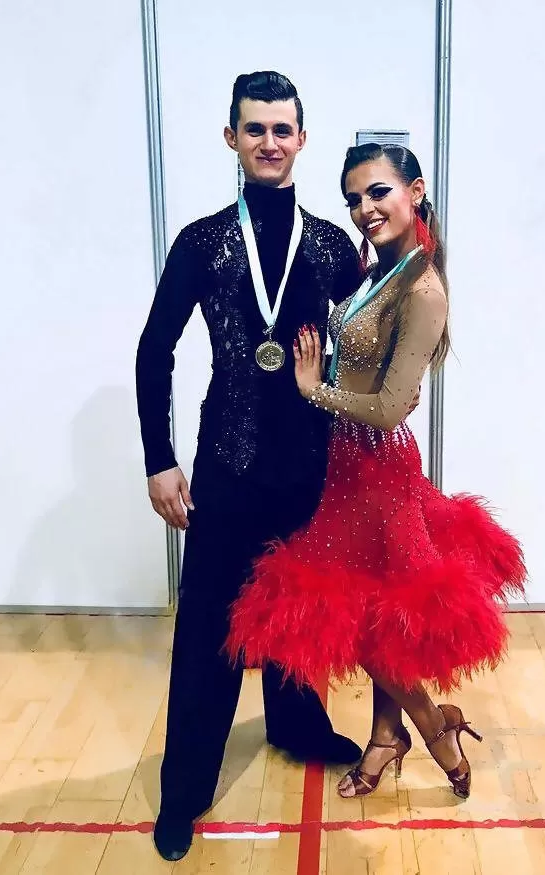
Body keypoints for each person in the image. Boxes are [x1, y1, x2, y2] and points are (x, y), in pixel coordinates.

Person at [226, 143, 527, 801]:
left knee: (369, 621)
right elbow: (365, 366)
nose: (364, 209)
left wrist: (314, 389)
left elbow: (391, 407)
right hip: (345, 464)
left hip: (378, 471)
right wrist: (325, 371)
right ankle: (386, 737)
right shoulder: (382, 268)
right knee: (369, 609)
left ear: (415, 191)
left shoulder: (422, 287)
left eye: (378, 192)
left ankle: (430, 728)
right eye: (354, 198)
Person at [135, 71, 370, 862]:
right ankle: (185, 787)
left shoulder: (335, 246)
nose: (269, 142)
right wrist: (160, 458)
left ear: (302, 139)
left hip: (309, 467)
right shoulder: (203, 242)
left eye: (282, 129)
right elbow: (154, 348)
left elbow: (372, 343)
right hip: (228, 467)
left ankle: (297, 726)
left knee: (301, 612)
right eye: (254, 128)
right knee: (208, 627)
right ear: (231, 138)